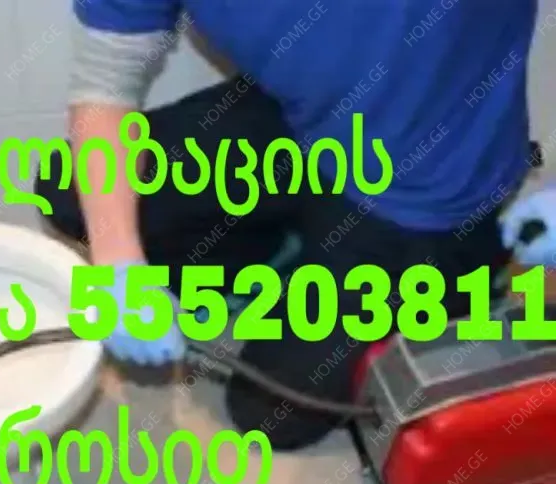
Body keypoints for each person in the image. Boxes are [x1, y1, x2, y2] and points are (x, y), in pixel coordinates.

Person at [34, 0, 542, 451]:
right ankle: (282, 253)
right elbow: (108, 84)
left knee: (269, 415)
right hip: (306, 122)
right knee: (69, 185)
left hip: (425, 180)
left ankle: (457, 274)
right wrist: (118, 263)